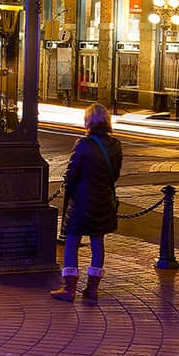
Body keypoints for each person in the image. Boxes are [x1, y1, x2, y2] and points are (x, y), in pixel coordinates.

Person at [52, 103, 123, 303]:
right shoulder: (115, 145)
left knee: (72, 241)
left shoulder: (83, 145)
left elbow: (72, 173)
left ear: (88, 121)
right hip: (103, 200)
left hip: (82, 201)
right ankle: (92, 289)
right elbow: (115, 174)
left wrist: (71, 187)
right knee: (97, 242)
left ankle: (69, 288)